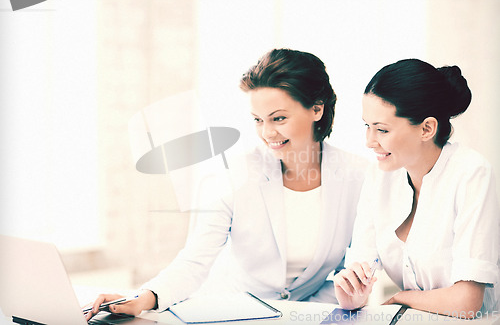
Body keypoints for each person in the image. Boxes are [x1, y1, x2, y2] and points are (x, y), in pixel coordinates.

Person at [85, 48, 368, 320]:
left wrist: (312, 312)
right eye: (258, 120)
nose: (267, 133)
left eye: (279, 118)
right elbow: (194, 261)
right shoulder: (234, 175)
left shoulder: (358, 176)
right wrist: (143, 297)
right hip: (235, 315)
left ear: (317, 110)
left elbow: (354, 269)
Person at [333, 59, 499, 318]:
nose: (369, 141)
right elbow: (358, 273)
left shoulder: (471, 173)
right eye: (367, 126)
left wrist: (402, 298)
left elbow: (467, 301)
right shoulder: (380, 174)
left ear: (426, 128)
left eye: (382, 129)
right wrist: (351, 295)